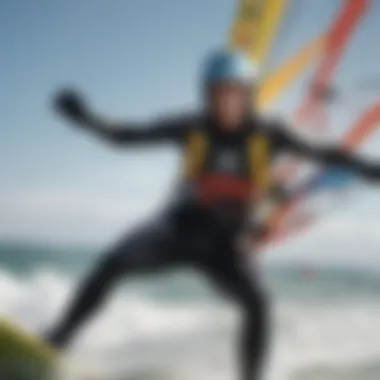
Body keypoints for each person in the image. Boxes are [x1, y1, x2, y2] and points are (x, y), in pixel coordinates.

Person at [47, 48, 380, 380]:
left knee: (259, 305)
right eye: (219, 93)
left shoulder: (270, 133)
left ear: (248, 94)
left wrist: (366, 168)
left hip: (228, 245)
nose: (227, 101)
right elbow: (128, 137)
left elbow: (323, 152)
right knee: (111, 264)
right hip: (177, 231)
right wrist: (87, 119)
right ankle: (56, 341)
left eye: (235, 92)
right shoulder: (191, 126)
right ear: (207, 95)